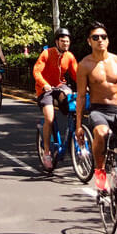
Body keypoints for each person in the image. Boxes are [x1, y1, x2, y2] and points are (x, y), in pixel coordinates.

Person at [75, 23, 117, 234]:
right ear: (89, 41)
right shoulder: (84, 65)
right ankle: (100, 170)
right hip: (98, 110)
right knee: (102, 133)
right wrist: (78, 125)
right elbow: (80, 96)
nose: (100, 40)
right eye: (95, 37)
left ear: (108, 39)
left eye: (103, 36)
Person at [34, 28, 79, 170]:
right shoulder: (46, 53)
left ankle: (71, 139)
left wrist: (85, 86)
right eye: (62, 41)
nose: (65, 43)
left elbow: (77, 74)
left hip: (60, 87)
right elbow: (36, 71)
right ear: (57, 42)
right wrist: (45, 84)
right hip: (45, 90)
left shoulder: (69, 56)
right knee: (50, 118)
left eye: (67, 41)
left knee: (74, 107)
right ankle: (47, 152)